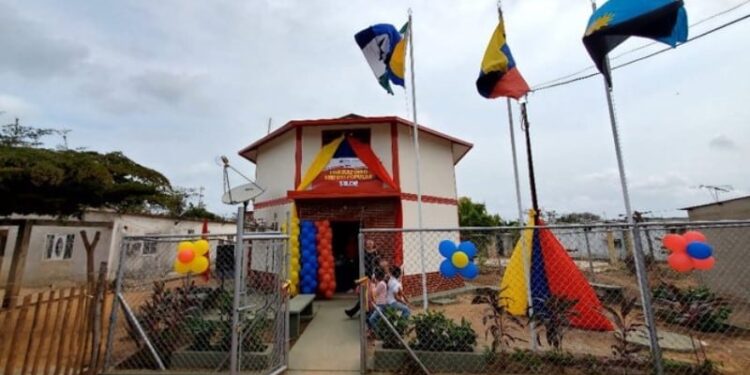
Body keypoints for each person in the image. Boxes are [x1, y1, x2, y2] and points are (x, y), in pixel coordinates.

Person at [345, 239, 380, 317]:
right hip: (364, 277)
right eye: (368, 243)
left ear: (373, 244)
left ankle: (358, 312)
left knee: (369, 296)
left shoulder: (376, 253)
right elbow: (357, 265)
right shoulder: (362, 253)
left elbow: (378, 265)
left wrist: (376, 275)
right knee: (364, 295)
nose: (370, 244)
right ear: (365, 245)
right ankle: (362, 312)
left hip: (372, 277)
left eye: (371, 243)